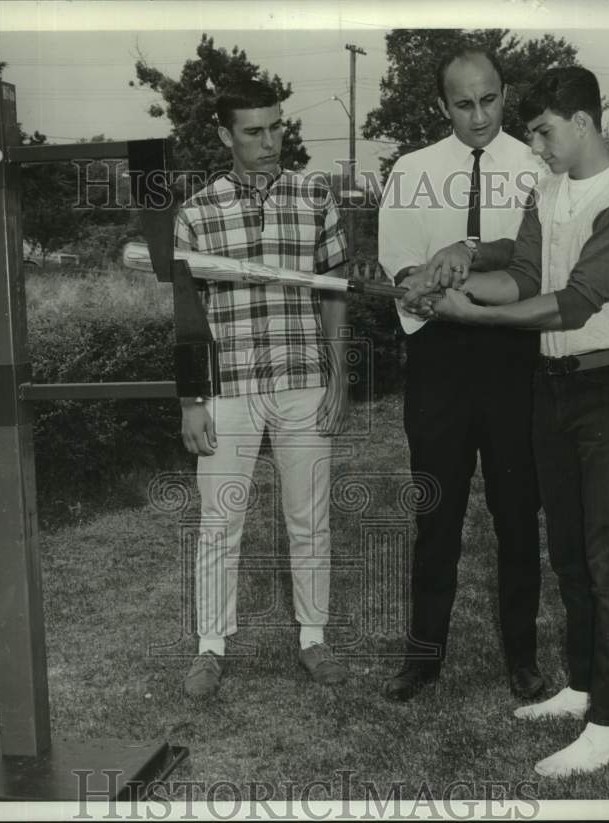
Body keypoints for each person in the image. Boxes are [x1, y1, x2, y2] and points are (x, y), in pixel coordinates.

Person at [406, 65, 609, 777]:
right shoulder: (547, 191)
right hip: (551, 390)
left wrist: (472, 313)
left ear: (581, 122)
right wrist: (449, 281)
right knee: (570, 555)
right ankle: (580, 687)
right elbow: (520, 274)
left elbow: (570, 303)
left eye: (544, 130)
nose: (536, 143)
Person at [378, 46, 546, 703]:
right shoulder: (411, 171)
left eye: (490, 99)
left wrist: (474, 274)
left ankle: (523, 660)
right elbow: (400, 266)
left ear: (506, 93)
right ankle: (422, 658)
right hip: (440, 360)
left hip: (512, 358)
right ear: (441, 106)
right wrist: (420, 288)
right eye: (463, 103)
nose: (479, 116)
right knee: (436, 512)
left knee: (515, 514)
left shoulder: (537, 168)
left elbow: (541, 266)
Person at [174, 79, 351, 698]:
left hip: (303, 382)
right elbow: (187, 315)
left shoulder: (314, 195)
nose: (270, 140)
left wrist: (338, 374)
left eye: (277, 126)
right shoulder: (196, 211)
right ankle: (210, 648)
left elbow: (334, 292)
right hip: (228, 389)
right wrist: (193, 399)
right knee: (219, 524)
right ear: (226, 135)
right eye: (254, 131)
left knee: (309, 519)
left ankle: (313, 637)